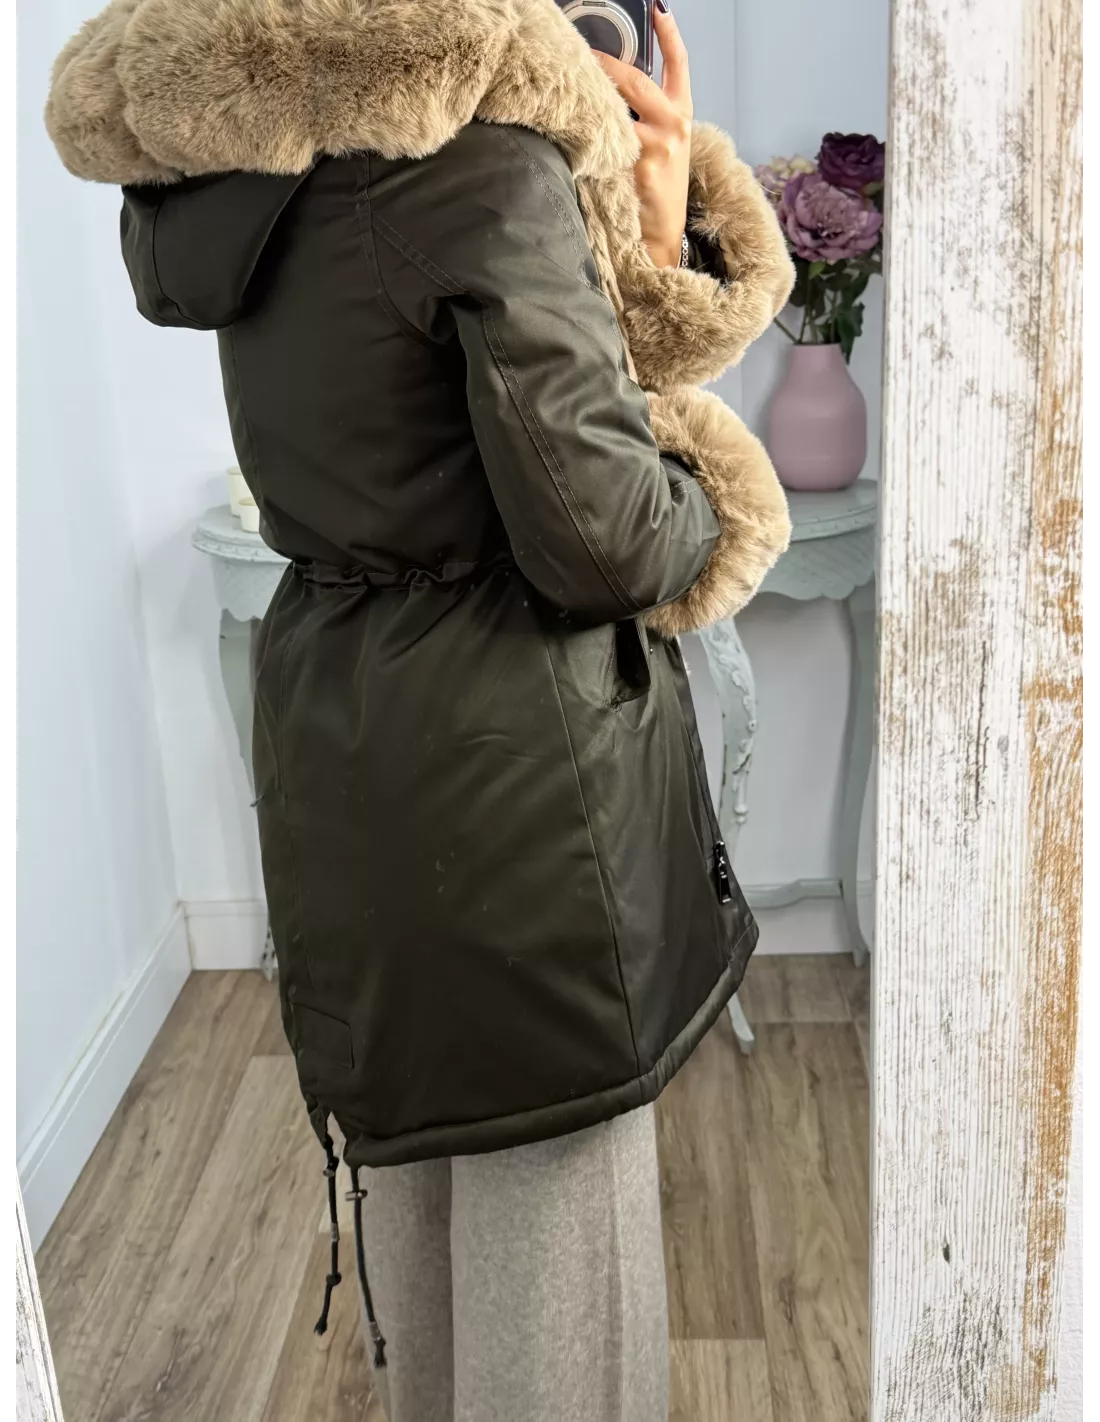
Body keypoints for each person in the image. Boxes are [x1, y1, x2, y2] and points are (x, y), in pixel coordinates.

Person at [47, 2, 794, 1417]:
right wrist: (713, 488)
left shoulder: (239, 148)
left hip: (344, 740)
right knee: (561, 1288)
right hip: (520, 789)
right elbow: (607, 540)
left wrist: (637, 223)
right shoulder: (480, 159)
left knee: (425, 1212)